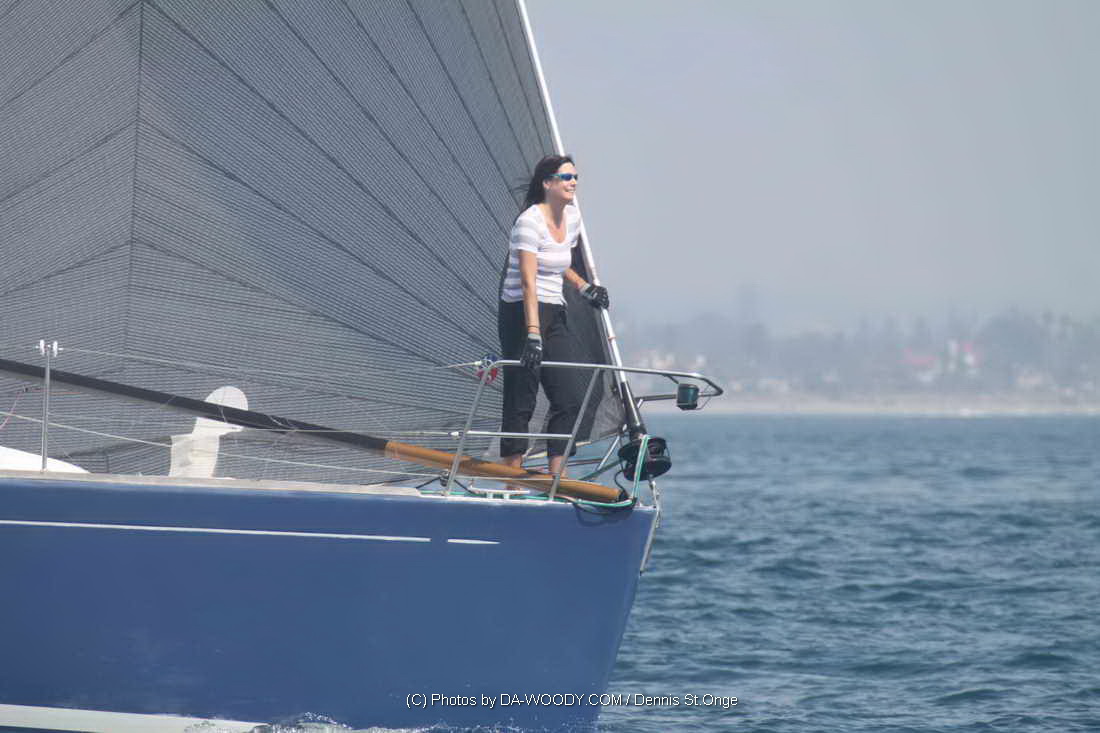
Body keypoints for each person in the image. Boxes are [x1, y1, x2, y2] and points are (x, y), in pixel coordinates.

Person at [498, 155, 609, 481]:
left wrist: (585, 288)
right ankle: (512, 479)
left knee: (569, 396)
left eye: (575, 177)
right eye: (566, 177)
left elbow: (560, 264)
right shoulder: (528, 223)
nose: (573, 182)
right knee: (522, 396)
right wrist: (533, 333)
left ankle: (557, 478)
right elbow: (529, 281)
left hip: (554, 310)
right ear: (548, 183)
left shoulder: (571, 217)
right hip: (521, 312)